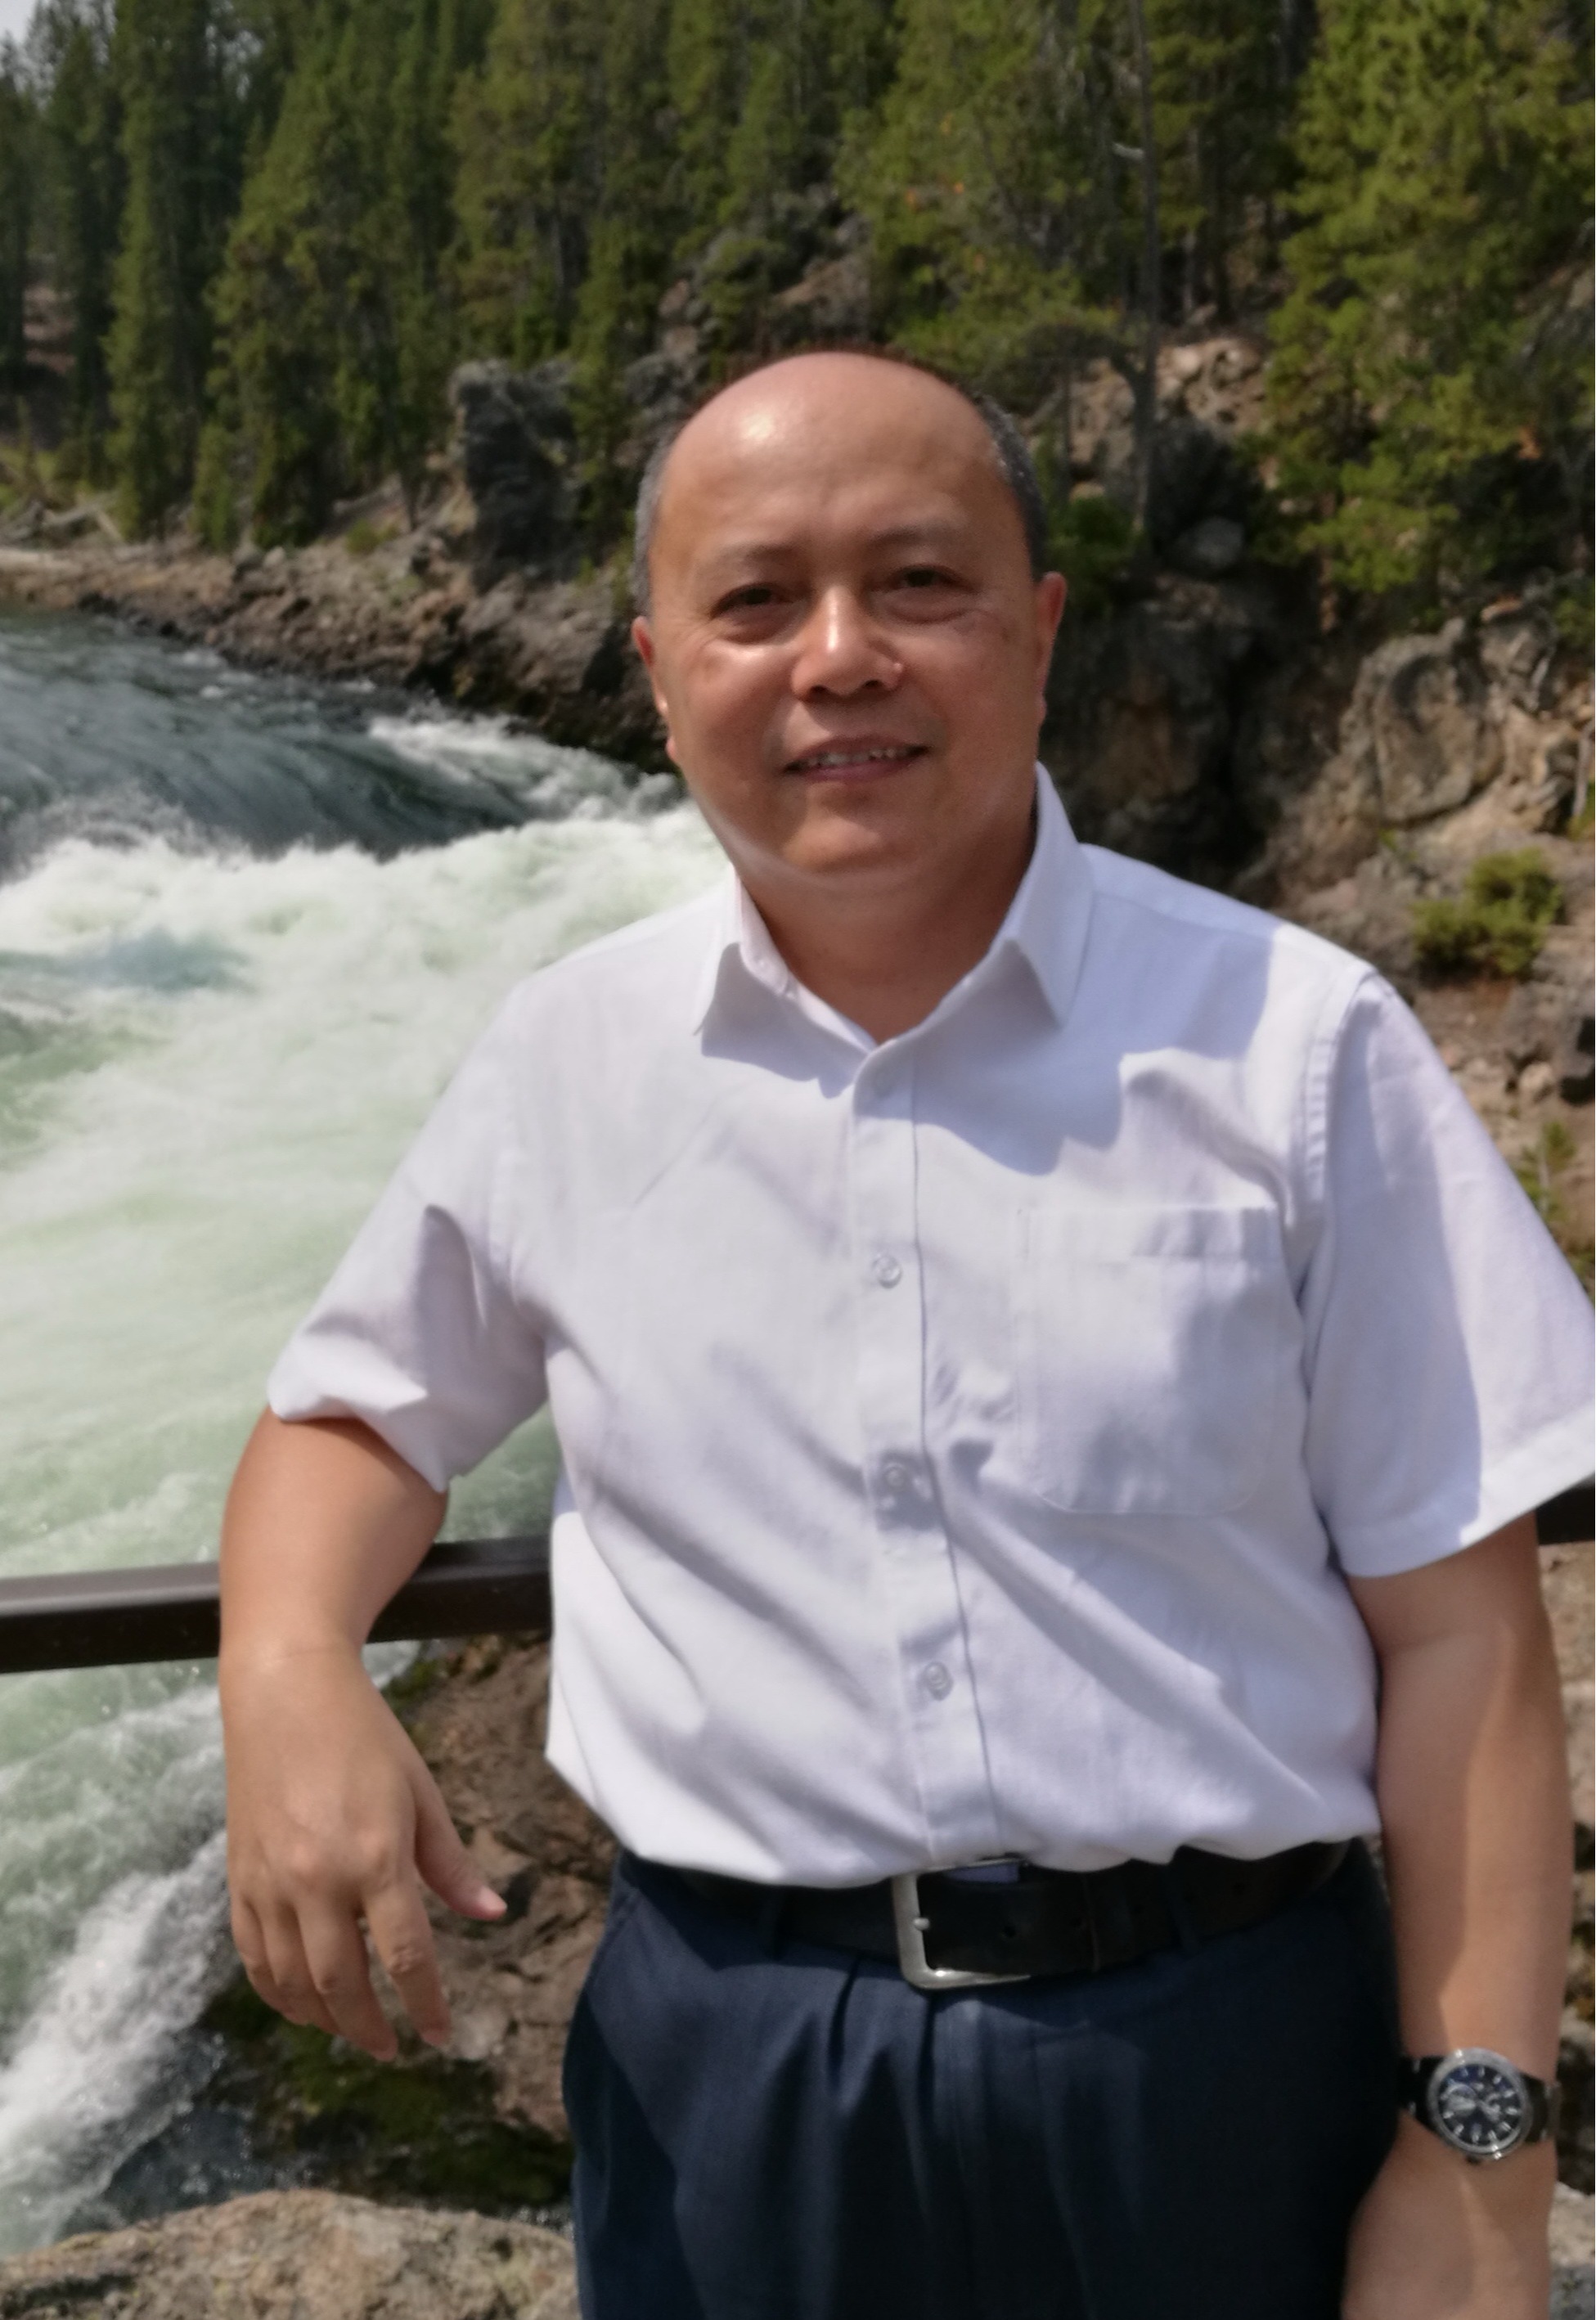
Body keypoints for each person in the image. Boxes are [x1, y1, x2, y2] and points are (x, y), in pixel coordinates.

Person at [219, 350, 1594, 2320]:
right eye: (755, 600)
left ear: (1039, 632)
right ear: (659, 670)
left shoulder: (1297, 1046)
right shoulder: (566, 1060)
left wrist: (1479, 2158)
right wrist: (284, 1667)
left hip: (1219, 2058)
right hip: (731, 2072)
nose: (838, 656)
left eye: (920, 582)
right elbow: (353, 1415)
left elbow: (1464, 1635)